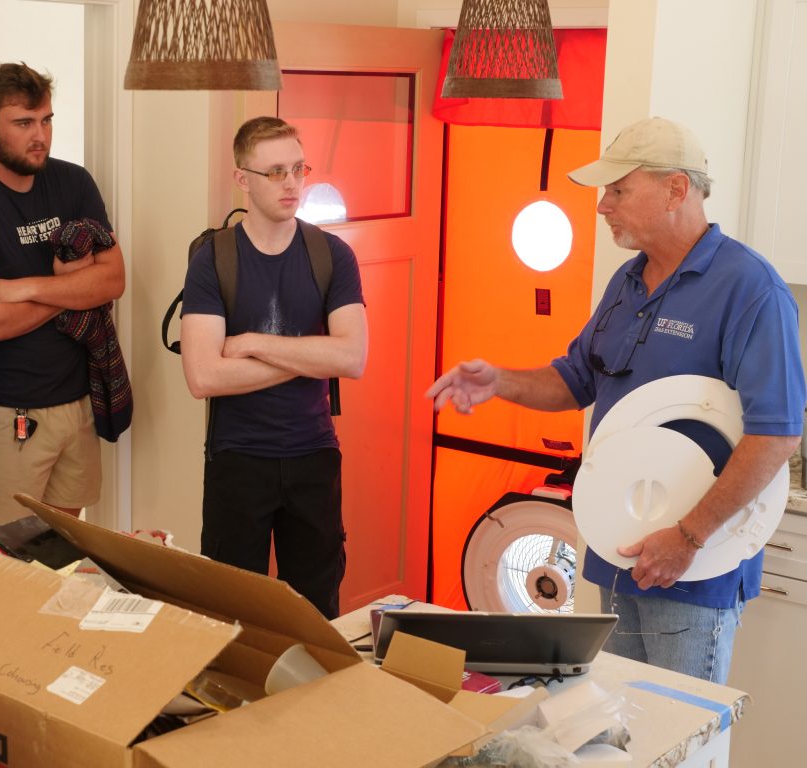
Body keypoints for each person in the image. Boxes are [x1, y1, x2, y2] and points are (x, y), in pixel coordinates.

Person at [427, 117, 805, 683]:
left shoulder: (750, 289)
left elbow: (776, 435)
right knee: (621, 733)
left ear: (676, 189)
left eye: (619, 190)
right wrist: (499, 381)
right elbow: (578, 380)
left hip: (693, 572)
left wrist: (686, 538)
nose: (603, 206)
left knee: (678, 738)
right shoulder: (628, 282)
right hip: (614, 557)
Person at [0, 63, 125, 546]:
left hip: (76, 403)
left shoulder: (74, 182)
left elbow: (114, 279)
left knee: (58, 549)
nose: (40, 136)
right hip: (2, 412)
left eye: (47, 120)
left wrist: (21, 287)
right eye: (24, 123)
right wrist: (71, 291)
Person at [180, 116, 368, 619]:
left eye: (298, 169)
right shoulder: (212, 259)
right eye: (275, 172)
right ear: (243, 178)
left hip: (314, 456)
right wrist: (311, 356)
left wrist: (251, 344)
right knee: (228, 614)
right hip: (237, 459)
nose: (291, 183)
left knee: (313, 614)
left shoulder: (333, 256)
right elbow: (204, 377)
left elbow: (352, 358)